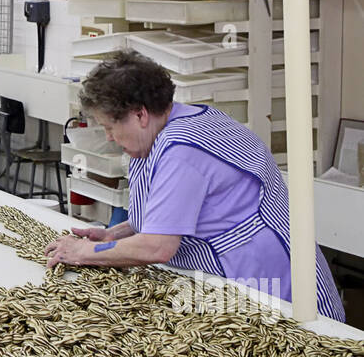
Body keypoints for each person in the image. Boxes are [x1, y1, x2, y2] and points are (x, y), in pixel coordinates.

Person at [45, 49, 345, 322]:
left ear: (140, 114)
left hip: (267, 284)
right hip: (235, 280)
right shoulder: (173, 125)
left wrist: (83, 252)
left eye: (110, 127)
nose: (109, 137)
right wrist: (114, 235)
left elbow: (158, 246)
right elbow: (172, 215)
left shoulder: (182, 150)